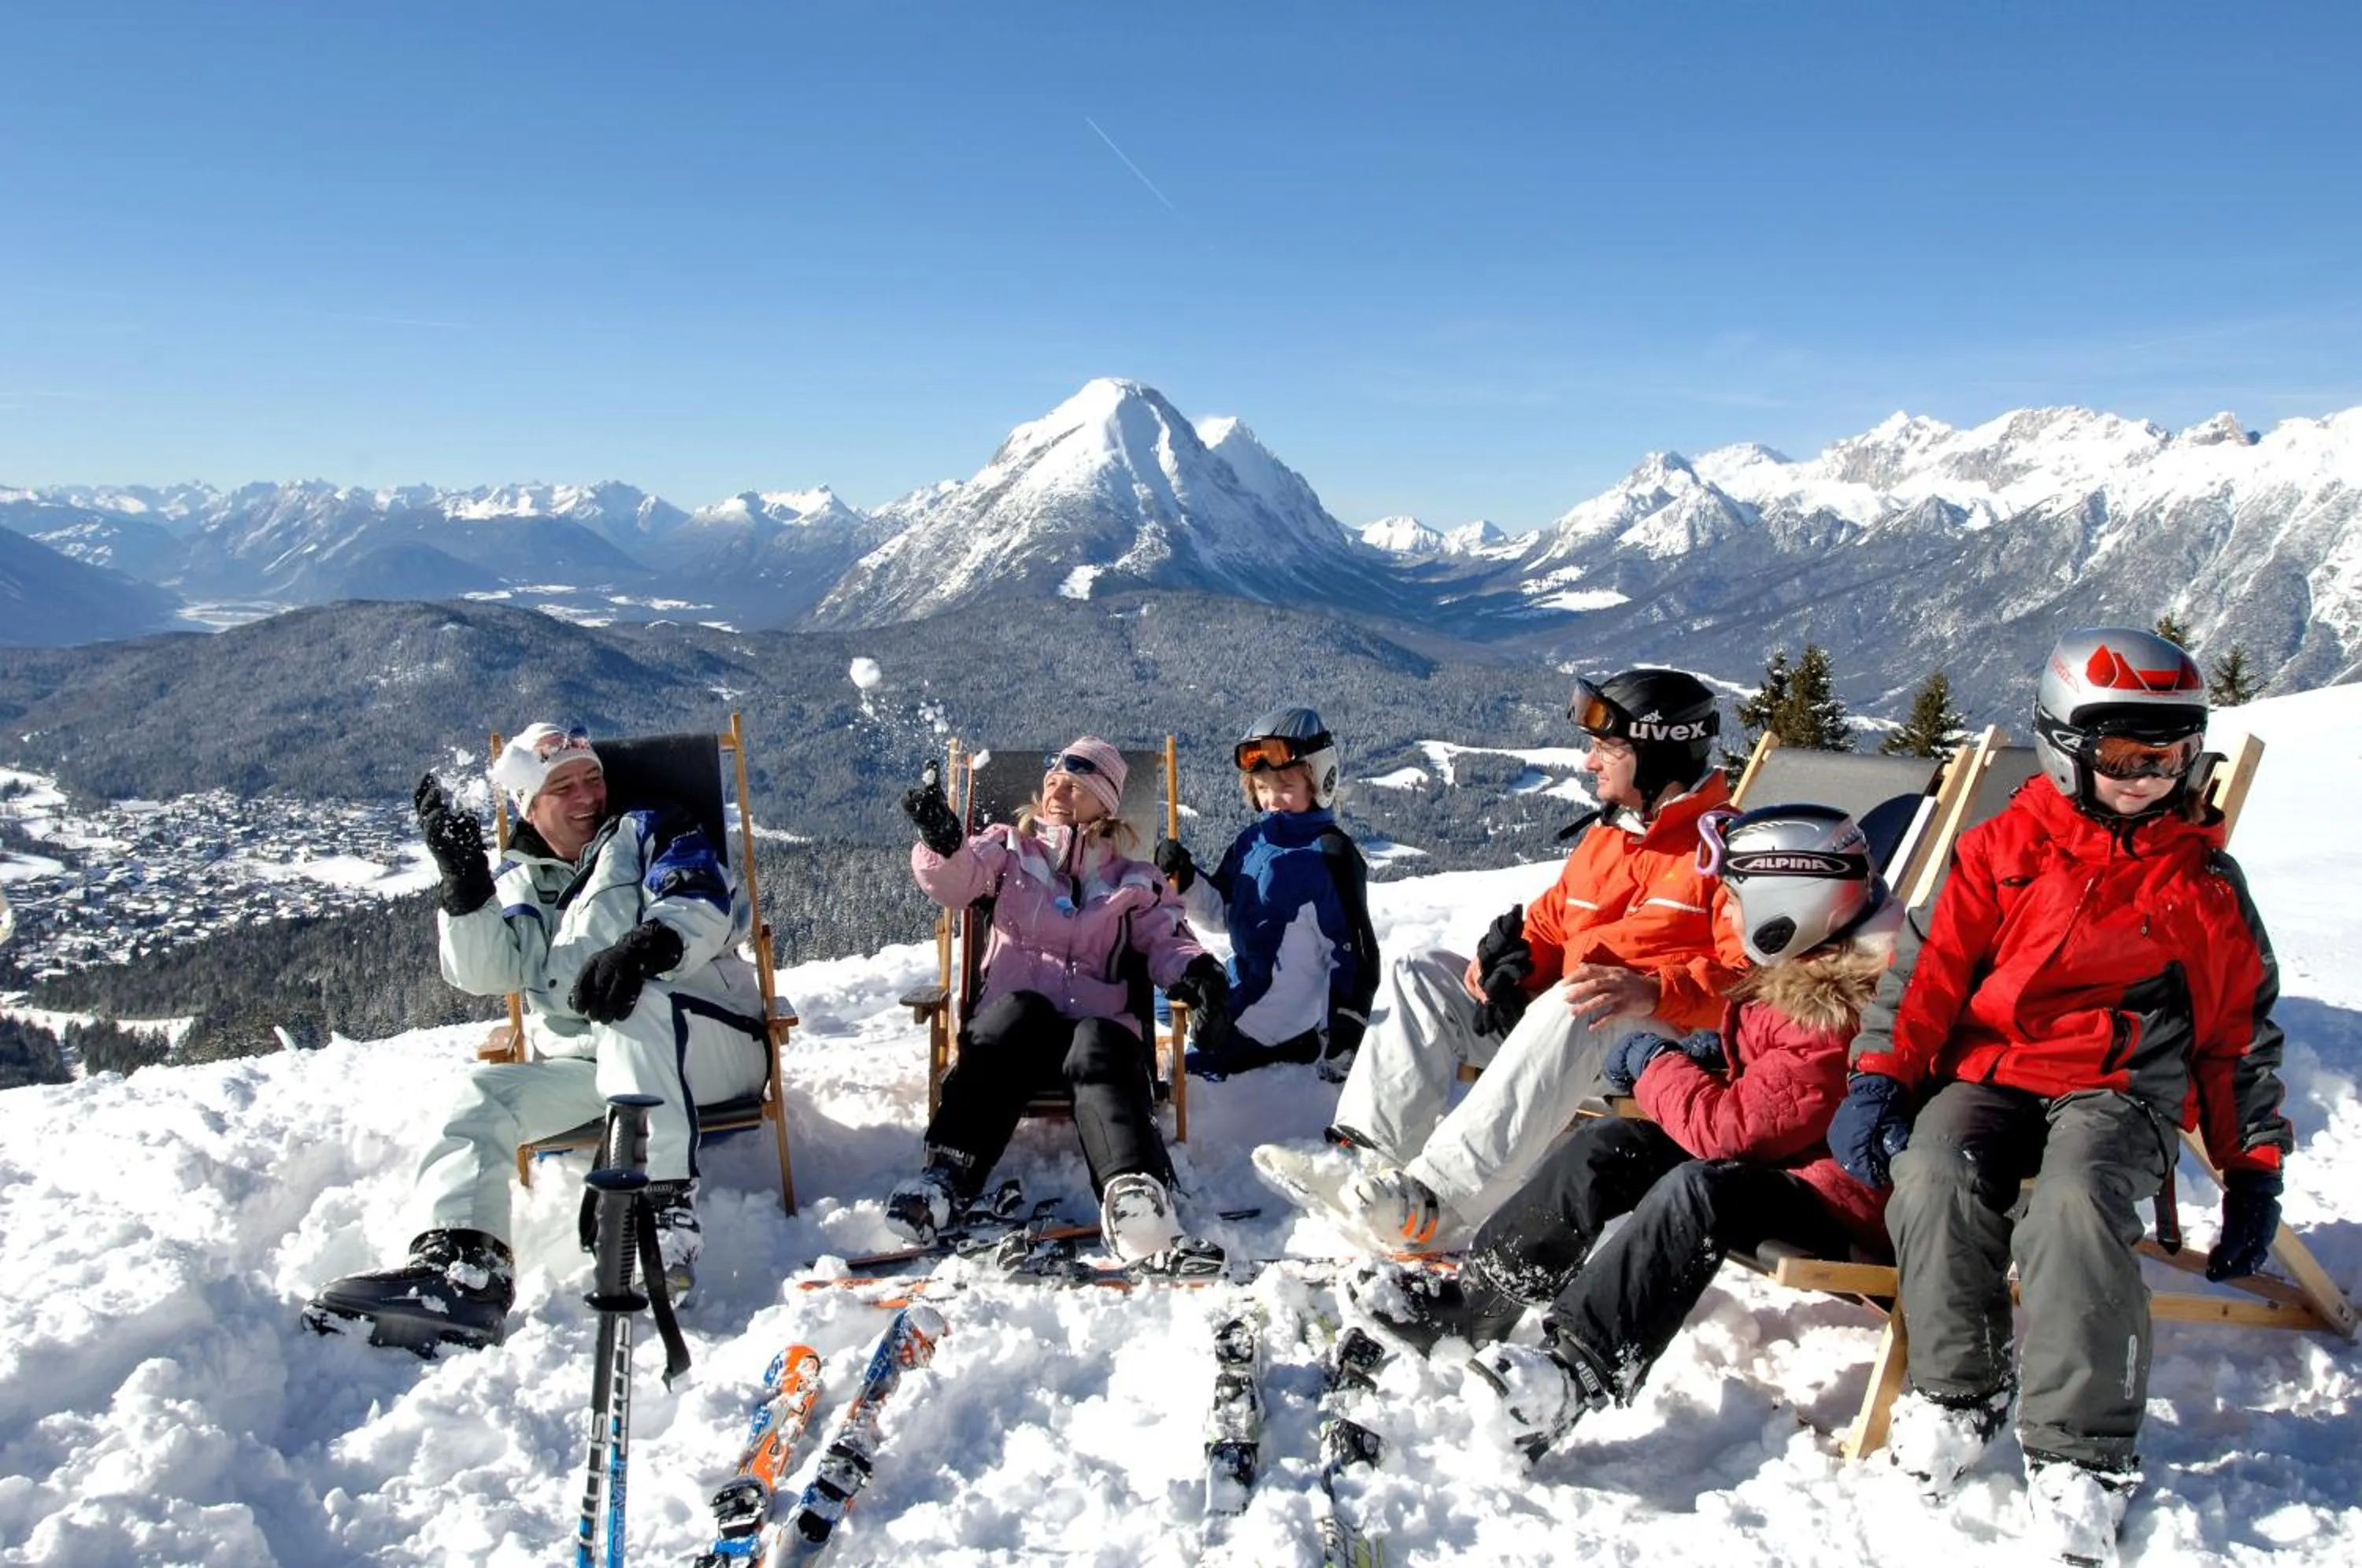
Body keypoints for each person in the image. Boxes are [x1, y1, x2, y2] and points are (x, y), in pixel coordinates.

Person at [1823, 627, 2293, 1564]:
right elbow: (1928, 976)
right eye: (2124, 755)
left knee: (2075, 1205)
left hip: (2119, 1089)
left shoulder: (2199, 883)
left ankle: (2085, 1449)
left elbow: (2238, 1035)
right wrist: (1879, 1080)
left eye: (2171, 755)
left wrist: (2252, 1170)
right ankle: (1961, 1389)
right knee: (1932, 1172)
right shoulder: (2003, 848)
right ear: (2066, 747)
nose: (2148, 776)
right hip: (1993, 1070)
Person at [1349, 804, 1900, 1458]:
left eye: (1733, 901)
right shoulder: (1803, 971)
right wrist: (1704, 1055)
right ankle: (1479, 1300)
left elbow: (1733, 1134)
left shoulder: (1833, 1010)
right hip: (1786, 1158)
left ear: (1791, 907)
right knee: (1608, 1149)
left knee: (1698, 1192)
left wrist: (1655, 1063)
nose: (1723, 915)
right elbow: (1767, 1083)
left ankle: (1576, 1370)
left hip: (1840, 1203)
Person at [305, 723, 772, 1351]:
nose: (587, 797)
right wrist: (467, 891)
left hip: (704, 1043)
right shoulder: (522, 882)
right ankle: (465, 1271)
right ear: (530, 806)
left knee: (636, 1000)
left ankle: (661, 1212)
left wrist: (650, 944)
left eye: (592, 778)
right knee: (481, 1094)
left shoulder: (654, 828)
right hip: (598, 1070)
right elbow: (483, 970)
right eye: (563, 787)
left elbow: (698, 897)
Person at [1257, 668, 1749, 1248]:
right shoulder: (1609, 837)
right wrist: (1515, 964)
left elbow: (1753, 983)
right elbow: (1552, 921)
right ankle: (1363, 1164)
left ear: (1657, 751)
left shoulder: (1728, 852)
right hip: (1568, 1025)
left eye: (1605, 748)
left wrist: (1655, 991)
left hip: (1662, 1042)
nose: (1589, 763)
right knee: (1422, 974)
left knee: (1580, 999)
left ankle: (1435, 1200)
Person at [890, 737, 1234, 1263]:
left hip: (1096, 1029)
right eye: (1053, 781)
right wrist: (942, 843)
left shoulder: (1134, 880)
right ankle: (945, 1179)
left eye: (1076, 785)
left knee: (1100, 1040)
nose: (1058, 791)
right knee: (1016, 1013)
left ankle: (1134, 1192)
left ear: (1106, 802)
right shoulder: (1006, 851)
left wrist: (1199, 972)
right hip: (1017, 1030)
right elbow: (956, 882)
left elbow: (1168, 937)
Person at [1153, 706, 1380, 1082]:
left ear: (1320, 781)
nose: (1273, 800)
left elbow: (1352, 954)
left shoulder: (1330, 855)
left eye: (1286, 788)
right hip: (1240, 981)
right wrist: (1185, 878)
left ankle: (1292, 1043)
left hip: (1273, 1013)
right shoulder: (1252, 841)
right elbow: (1223, 914)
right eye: (1262, 789)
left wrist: (1345, 1034)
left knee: (1187, 1069)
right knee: (1154, 1000)